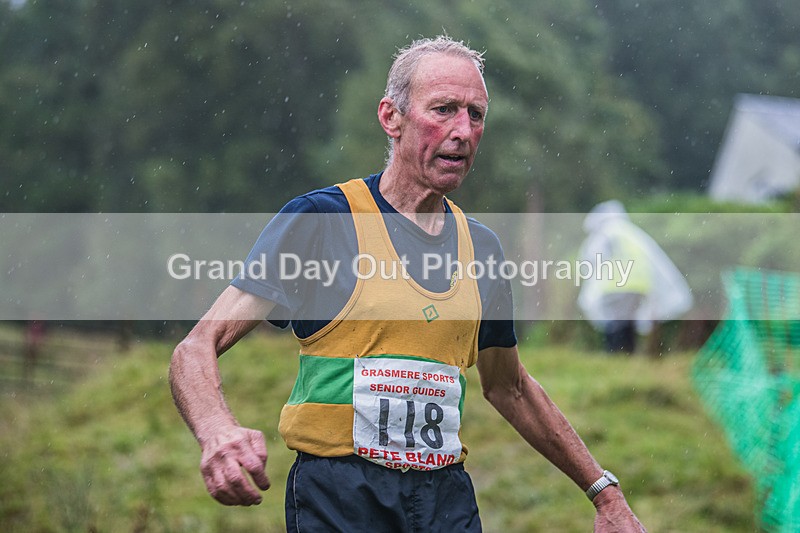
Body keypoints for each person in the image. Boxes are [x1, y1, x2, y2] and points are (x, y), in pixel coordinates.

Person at [170, 36, 645, 532]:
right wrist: (217, 431)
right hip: (339, 495)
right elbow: (195, 348)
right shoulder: (321, 221)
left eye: (475, 115)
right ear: (391, 117)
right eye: (443, 110)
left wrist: (604, 494)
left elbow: (510, 387)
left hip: (444, 498)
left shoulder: (481, 249)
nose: (463, 131)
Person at [577, 200, 693, 354]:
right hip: (639, 286)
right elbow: (654, 259)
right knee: (627, 322)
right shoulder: (631, 232)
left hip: (615, 285)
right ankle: (627, 354)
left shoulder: (606, 233)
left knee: (614, 323)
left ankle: (615, 355)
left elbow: (591, 258)